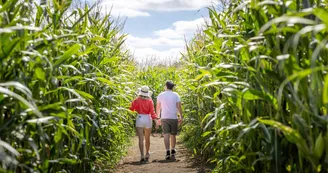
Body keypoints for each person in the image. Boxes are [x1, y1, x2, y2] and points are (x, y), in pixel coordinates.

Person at [130, 86, 158, 162]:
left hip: (139, 118)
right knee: (147, 138)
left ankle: (142, 155)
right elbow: (152, 112)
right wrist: (156, 121)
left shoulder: (137, 100)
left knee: (141, 139)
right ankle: (147, 153)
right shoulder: (150, 100)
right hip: (148, 119)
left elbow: (131, 109)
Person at [156, 81, 183, 160]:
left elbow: (158, 107)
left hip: (164, 117)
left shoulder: (161, 95)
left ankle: (167, 151)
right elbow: (179, 107)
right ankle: (173, 150)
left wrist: (158, 117)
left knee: (166, 135)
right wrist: (181, 116)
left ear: (166, 86)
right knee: (173, 135)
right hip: (173, 117)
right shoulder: (176, 95)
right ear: (172, 87)